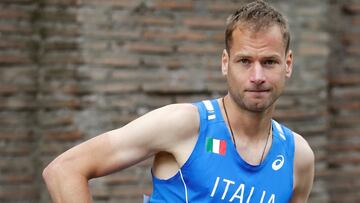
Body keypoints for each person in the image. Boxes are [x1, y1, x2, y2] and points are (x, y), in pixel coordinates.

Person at [43, 0, 315, 202]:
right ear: (225, 63)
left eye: (269, 62)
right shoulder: (186, 125)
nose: (257, 76)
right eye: (244, 61)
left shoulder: (298, 157)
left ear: (288, 65)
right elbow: (64, 170)